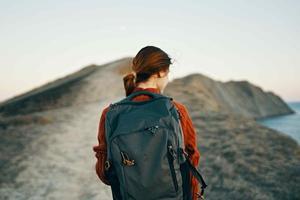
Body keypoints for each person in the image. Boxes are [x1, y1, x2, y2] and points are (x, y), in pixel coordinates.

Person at [93, 46, 201, 200]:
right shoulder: (176, 110)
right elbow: (191, 161)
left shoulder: (110, 113)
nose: (167, 80)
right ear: (161, 72)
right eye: (167, 74)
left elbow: (104, 172)